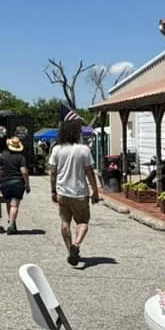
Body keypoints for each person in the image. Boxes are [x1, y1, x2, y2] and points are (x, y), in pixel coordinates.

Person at [49, 114, 101, 266]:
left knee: (65, 222)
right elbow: (89, 172)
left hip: (62, 192)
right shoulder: (84, 150)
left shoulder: (57, 149)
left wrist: (53, 190)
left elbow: (53, 172)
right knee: (83, 222)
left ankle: (69, 250)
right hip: (80, 193)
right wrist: (95, 191)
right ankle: (76, 245)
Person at [0, 136, 30, 234]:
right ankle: (11, 225)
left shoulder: (2, 155)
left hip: (4, 182)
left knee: (8, 202)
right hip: (17, 182)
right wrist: (27, 184)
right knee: (14, 205)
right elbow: (24, 171)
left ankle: (12, 221)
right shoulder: (21, 157)